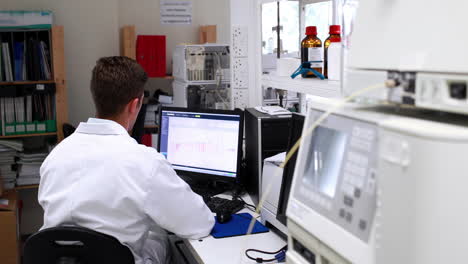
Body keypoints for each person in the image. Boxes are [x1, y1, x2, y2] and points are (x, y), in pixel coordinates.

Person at [38, 56, 215, 264]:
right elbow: (199, 224)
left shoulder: (56, 155)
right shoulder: (145, 162)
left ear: (96, 96)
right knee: (161, 236)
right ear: (135, 105)